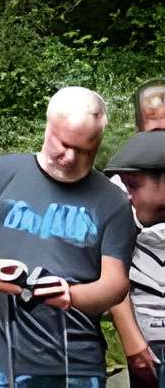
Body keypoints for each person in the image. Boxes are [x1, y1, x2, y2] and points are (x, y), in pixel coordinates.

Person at [0, 87, 137, 388]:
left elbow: (115, 284)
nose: (70, 157)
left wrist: (70, 296)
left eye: (84, 150)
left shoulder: (113, 201)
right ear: (48, 126)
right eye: (63, 144)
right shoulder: (3, 172)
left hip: (78, 366)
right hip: (4, 365)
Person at [107, 129, 165, 388]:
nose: (127, 195)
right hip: (147, 354)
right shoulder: (123, 228)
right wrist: (133, 342)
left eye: (134, 185)